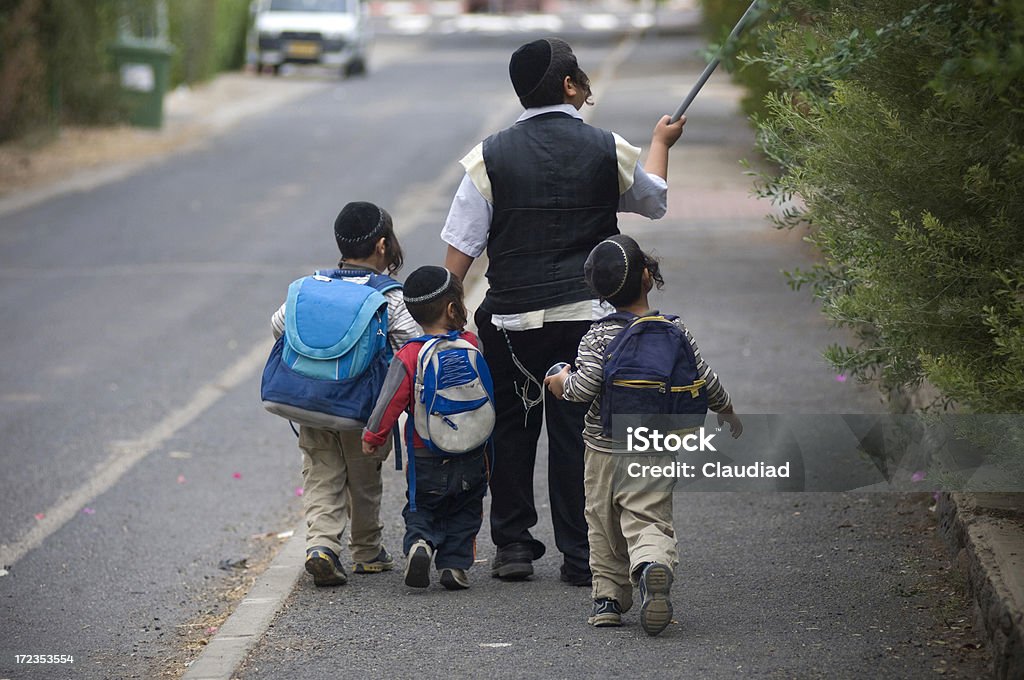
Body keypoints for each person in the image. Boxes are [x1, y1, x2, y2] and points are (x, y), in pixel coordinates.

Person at [441, 37, 687, 585]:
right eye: (581, 75)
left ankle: (513, 548)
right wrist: (660, 142)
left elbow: (460, 252)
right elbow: (654, 202)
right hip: (590, 322)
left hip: (511, 324)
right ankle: (581, 556)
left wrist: (447, 319)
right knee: (578, 435)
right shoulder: (608, 148)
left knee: (511, 429)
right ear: (571, 86)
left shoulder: (489, 156)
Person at [544, 234, 742, 635]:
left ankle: (608, 600)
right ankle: (653, 563)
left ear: (599, 293)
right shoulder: (675, 330)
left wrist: (559, 380)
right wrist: (727, 410)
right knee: (648, 517)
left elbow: (582, 391)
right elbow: (705, 379)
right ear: (648, 277)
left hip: (602, 447)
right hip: (655, 446)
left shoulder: (597, 335)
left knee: (601, 523)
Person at [270, 201, 419, 586]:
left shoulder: (314, 287)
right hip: (362, 408)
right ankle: (367, 552)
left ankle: (321, 546)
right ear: (382, 245)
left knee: (321, 473)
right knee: (364, 476)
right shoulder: (391, 297)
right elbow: (412, 346)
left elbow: (279, 325)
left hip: (309, 403)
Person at [362, 266, 490, 591]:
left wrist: (373, 436)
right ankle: (454, 566)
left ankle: (420, 542)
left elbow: (389, 401)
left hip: (426, 453)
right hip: (473, 450)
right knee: (465, 508)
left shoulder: (409, 354)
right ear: (452, 309)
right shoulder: (472, 343)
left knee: (422, 506)